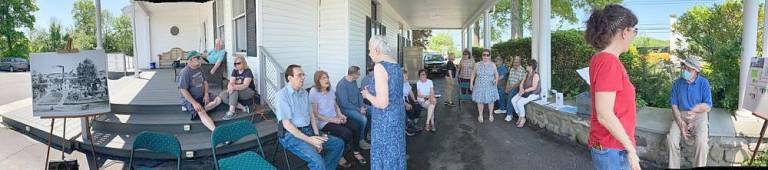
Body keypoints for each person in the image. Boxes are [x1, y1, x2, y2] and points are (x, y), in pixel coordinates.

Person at [584, 4, 641, 170]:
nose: (634, 36)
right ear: (625, 32)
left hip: (613, 147)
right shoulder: (608, 62)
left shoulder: (602, 59)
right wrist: (630, 149)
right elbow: (604, 115)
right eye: (634, 31)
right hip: (612, 150)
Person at [276, 64, 345, 170]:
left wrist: (316, 134)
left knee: (338, 144)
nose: (303, 77)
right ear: (290, 78)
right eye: (299, 75)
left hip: (308, 131)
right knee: (318, 162)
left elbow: (312, 115)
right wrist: (311, 140)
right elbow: (287, 124)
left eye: (303, 75)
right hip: (291, 135)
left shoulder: (304, 93)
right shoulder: (282, 95)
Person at [361, 35, 406, 169]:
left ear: (376, 49)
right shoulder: (396, 64)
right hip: (397, 114)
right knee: (396, 150)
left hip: (385, 119)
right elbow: (394, 91)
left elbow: (382, 103)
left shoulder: (379, 67)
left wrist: (367, 95)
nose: (369, 54)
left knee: (385, 152)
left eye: (369, 50)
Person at [310, 70, 368, 167]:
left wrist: (340, 115)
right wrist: (334, 120)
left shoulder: (330, 90)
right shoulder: (314, 92)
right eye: (323, 78)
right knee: (346, 133)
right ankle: (340, 156)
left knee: (356, 125)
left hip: (335, 118)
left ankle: (356, 151)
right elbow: (315, 114)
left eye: (327, 77)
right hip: (324, 122)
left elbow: (335, 105)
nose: (327, 79)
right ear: (317, 80)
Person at [667, 57, 712, 168]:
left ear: (696, 71)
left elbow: (708, 105)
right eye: (684, 67)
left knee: (701, 143)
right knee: (671, 140)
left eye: (689, 69)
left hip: (699, 115)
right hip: (680, 114)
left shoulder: (704, 83)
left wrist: (695, 110)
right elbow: (674, 105)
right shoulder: (677, 83)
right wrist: (680, 121)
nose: (685, 71)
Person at [179, 51, 222, 131]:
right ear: (190, 60)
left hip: (202, 95)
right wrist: (194, 103)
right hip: (191, 98)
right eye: (198, 58)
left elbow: (205, 82)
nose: (200, 59)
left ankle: (199, 110)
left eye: (200, 57)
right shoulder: (185, 72)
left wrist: (206, 94)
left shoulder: (200, 68)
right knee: (201, 111)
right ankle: (216, 131)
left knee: (219, 100)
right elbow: (183, 90)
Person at [335, 66, 372, 150]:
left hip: (357, 106)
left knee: (372, 111)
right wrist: (359, 110)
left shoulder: (354, 81)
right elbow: (345, 104)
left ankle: (369, 133)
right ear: (353, 74)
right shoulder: (342, 85)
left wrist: (362, 106)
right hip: (346, 109)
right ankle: (361, 140)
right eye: (358, 74)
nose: (359, 75)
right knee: (363, 119)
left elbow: (358, 95)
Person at [217, 55, 255, 120]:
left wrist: (233, 88)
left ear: (243, 63)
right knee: (223, 95)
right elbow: (231, 82)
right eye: (235, 64)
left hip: (248, 91)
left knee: (234, 90)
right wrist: (230, 88)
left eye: (239, 63)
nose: (237, 65)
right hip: (238, 91)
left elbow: (245, 85)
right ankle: (243, 108)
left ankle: (232, 111)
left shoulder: (248, 71)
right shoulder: (235, 71)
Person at [470, 49, 500, 123]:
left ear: (489, 56)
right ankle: (480, 115)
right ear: (482, 55)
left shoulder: (493, 64)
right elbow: (473, 75)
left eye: (487, 55)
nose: (485, 56)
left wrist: (496, 81)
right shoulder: (477, 64)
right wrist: (471, 84)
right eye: (484, 55)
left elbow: (496, 75)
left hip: (490, 86)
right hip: (479, 86)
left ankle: (490, 114)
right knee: (480, 101)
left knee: (491, 101)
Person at [509, 60, 541, 128]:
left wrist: (524, 91)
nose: (526, 66)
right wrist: (521, 89)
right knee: (513, 100)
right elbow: (522, 83)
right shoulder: (526, 74)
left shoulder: (535, 75)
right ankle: (520, 116)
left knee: (519, 102)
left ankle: (523, 118)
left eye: (527, 65)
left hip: (533, 93)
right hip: (525, 91)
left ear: (531, 66)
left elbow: (534, 87)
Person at [504, 56, 527, 122]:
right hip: (511, 85)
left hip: (517, 87)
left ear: (520, 62)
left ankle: (509, 114)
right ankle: (507, 109)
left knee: (511, 95)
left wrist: (511, 88)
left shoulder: (522, 70)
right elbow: (509, 79)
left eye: (517, 62)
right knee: (504, 92)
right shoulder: (511, 69)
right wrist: (507, 87)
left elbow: (520, 82)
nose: (515, 63)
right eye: (514, 62)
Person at [402, 68, 423, 136]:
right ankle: (408, 128)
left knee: (418, 106)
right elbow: (399, 98)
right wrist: (405, 104)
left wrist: (414, 100)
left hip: (406, 99)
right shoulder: (398, 85)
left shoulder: (406, 82)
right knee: (410, 109)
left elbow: (410, 91)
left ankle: (413, 122)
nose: (407, 78)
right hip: (402, 102)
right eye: (406, 76)